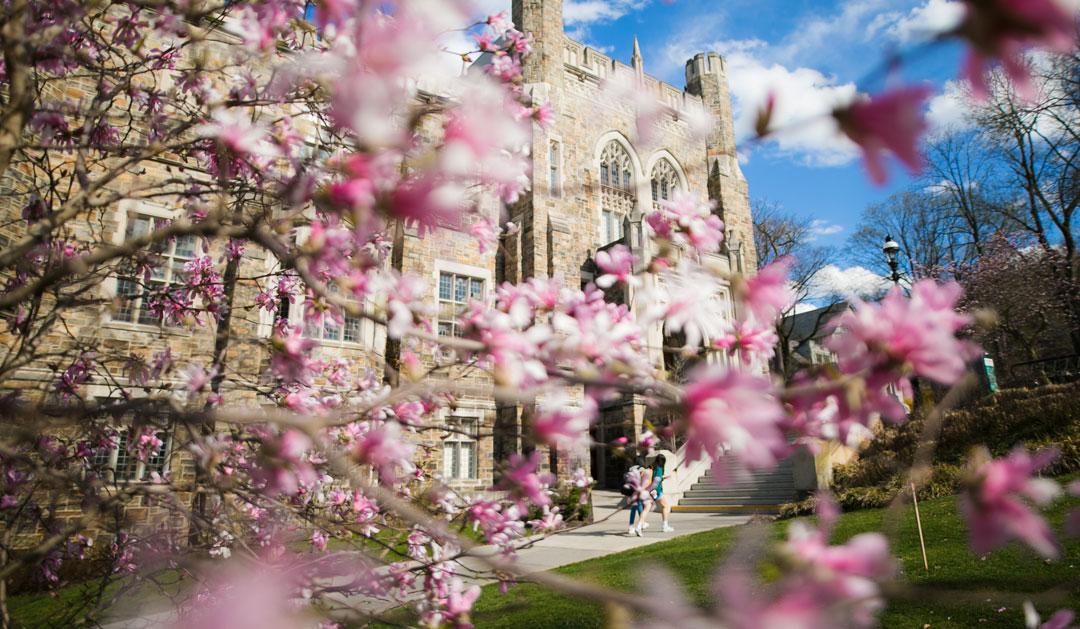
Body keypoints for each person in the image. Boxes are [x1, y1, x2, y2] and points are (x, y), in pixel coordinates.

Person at [649, 454, 674, 533]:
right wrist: (655, 491)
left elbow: (655, 478)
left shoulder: (654, 467)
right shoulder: (659, 469)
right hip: (657, 491)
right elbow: (657, 480)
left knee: (646, 508)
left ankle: (641, 524)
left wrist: (663, 478)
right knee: (666, 506)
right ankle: (665, 526)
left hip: (653, 490)